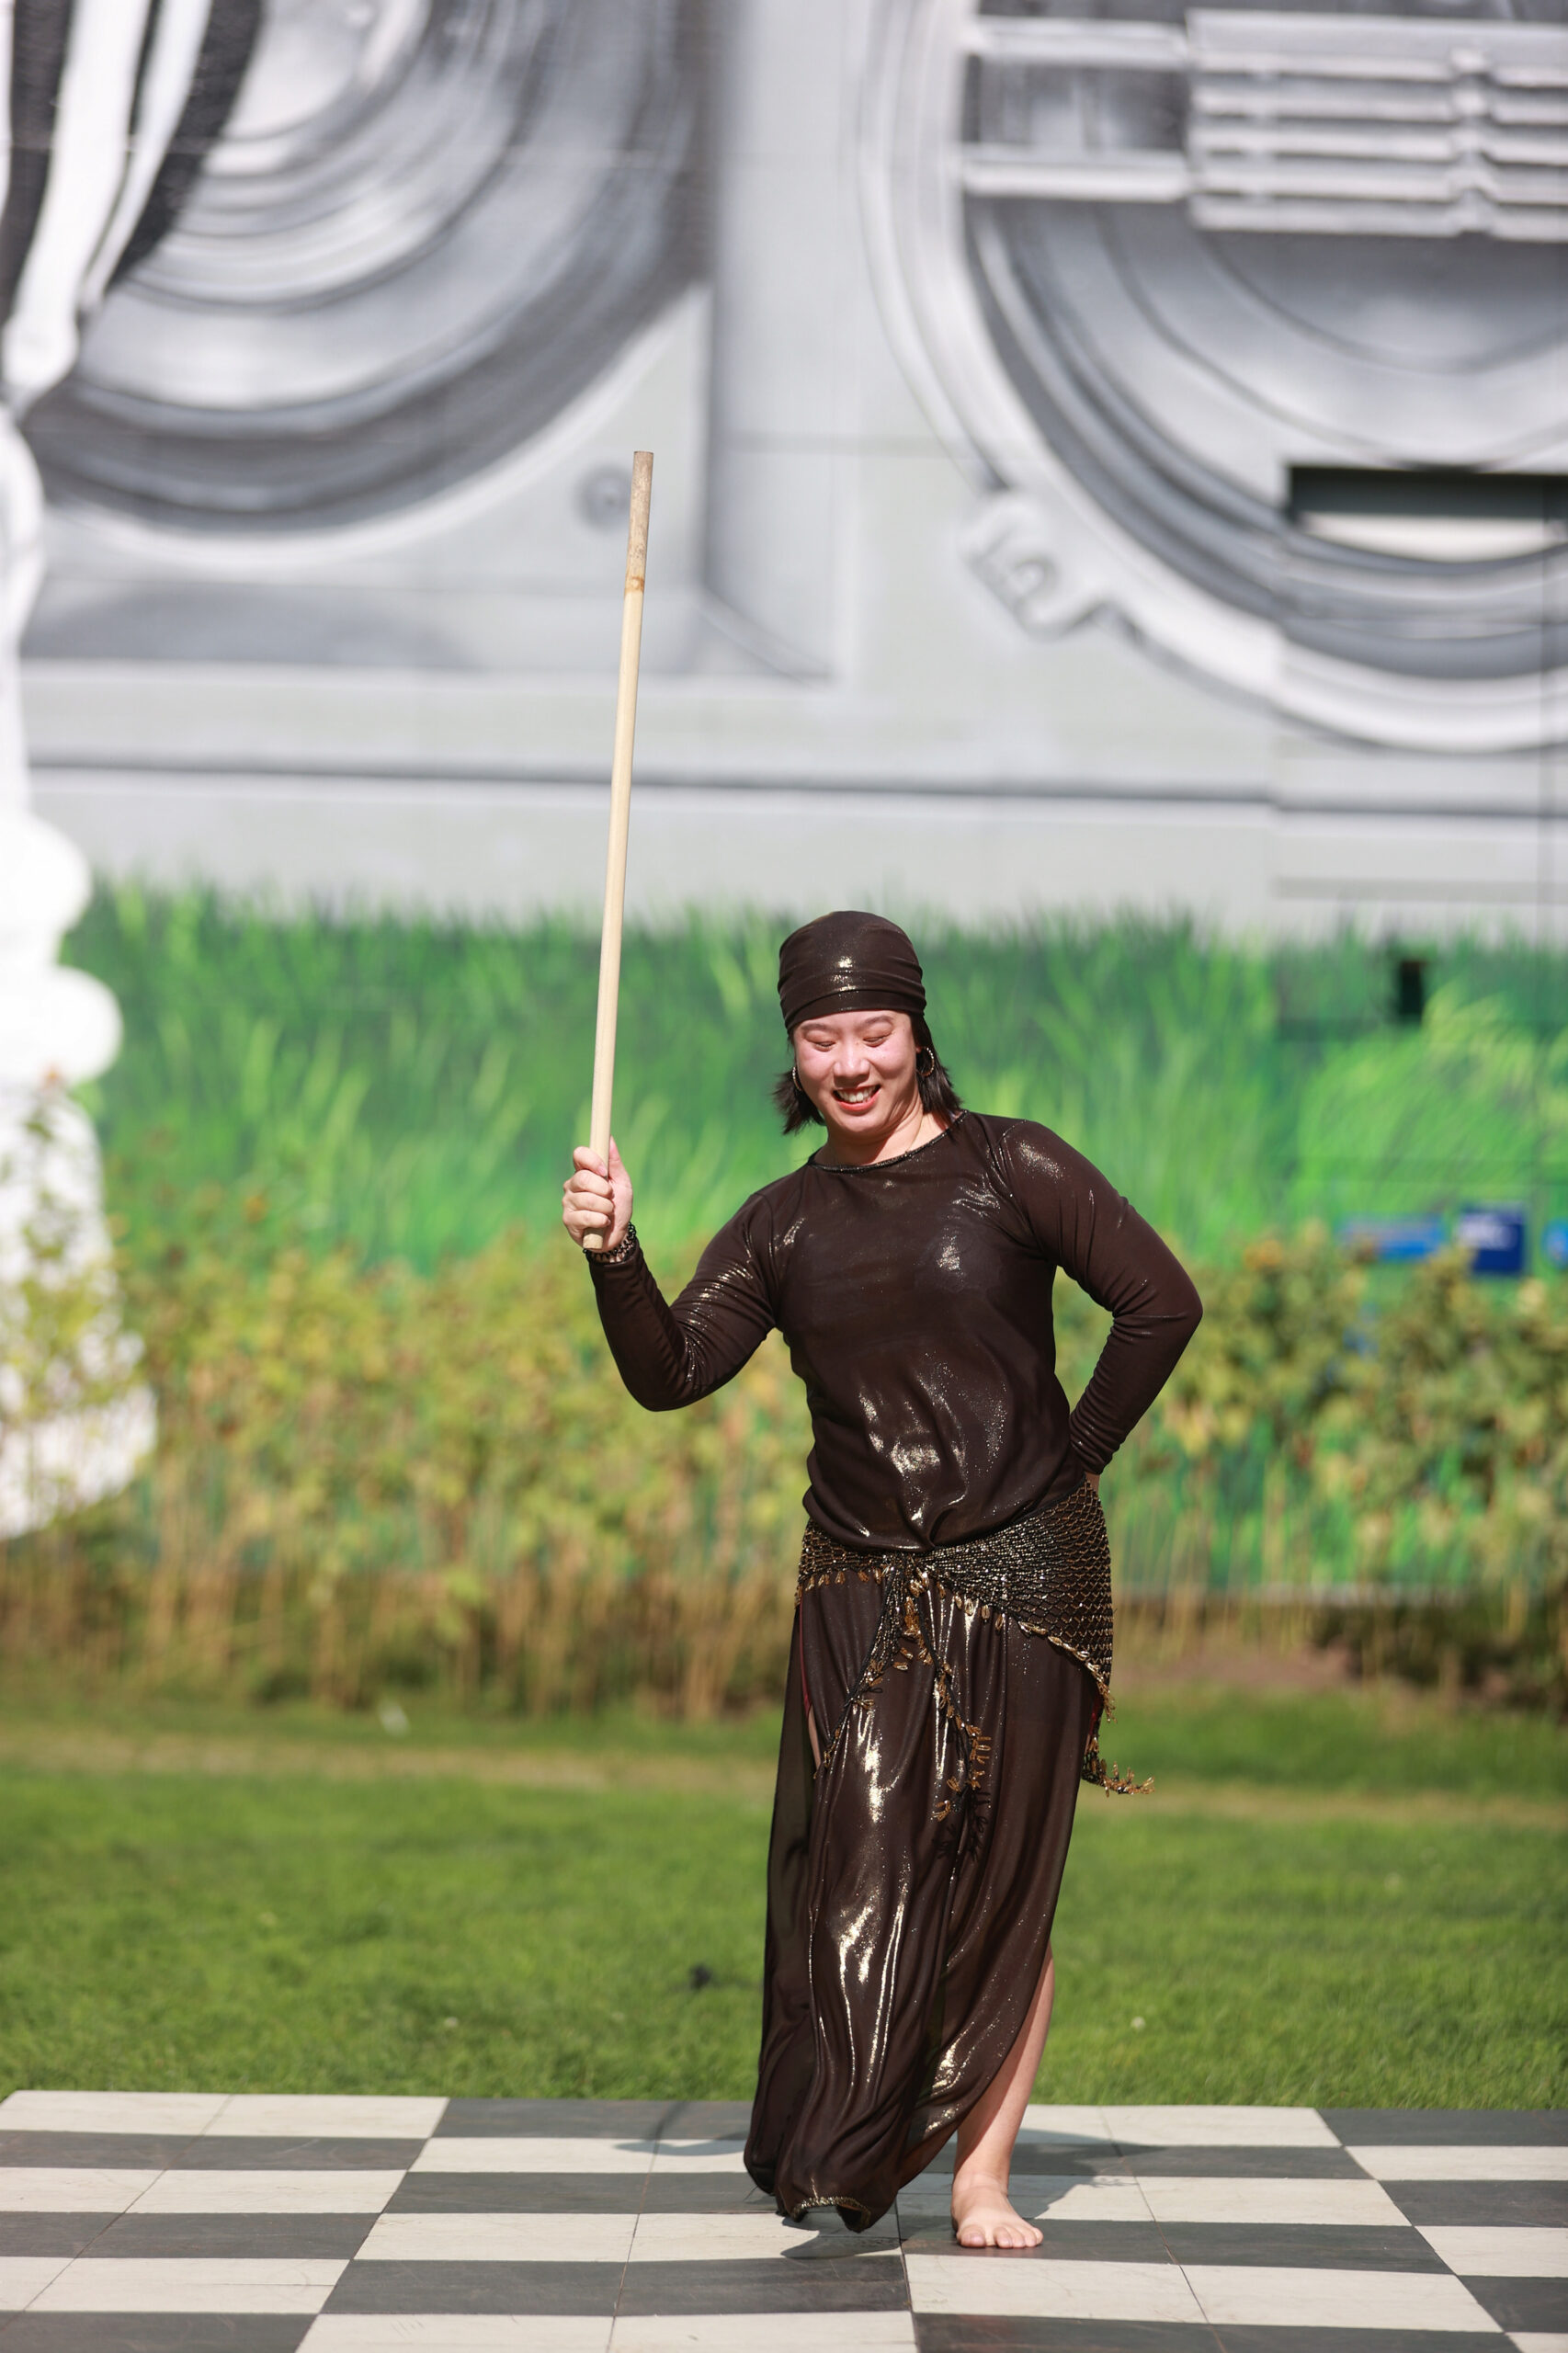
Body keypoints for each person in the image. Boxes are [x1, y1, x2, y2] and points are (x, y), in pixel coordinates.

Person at [562, 910, 1201, 2247]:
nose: (850, 1062)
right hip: (856, 1581)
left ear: (916, 1033)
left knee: (1004, 1881)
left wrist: (1072, 1458)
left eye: (873, 1032)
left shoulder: (1013, 1164)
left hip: (1026, 1570)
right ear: (793, 1056)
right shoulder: (782, 1223)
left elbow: (1161, 1304)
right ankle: (845, 2139)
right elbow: (671, 1374)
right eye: (821, 1038)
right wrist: (617, 1256)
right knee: (852, 1866)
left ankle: (980, 2178)